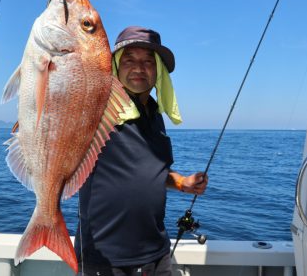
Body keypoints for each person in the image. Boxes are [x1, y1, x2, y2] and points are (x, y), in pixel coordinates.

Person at [75, 26, 208, 276]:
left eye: (148, 61)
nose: (139, 67)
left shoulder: (156, 116)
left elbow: (151, 172)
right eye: (129, 59)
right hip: (103, 258)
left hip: (156, 255)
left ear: (158, 71)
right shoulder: (96, 106)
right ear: (114, 65)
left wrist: (181, 182)